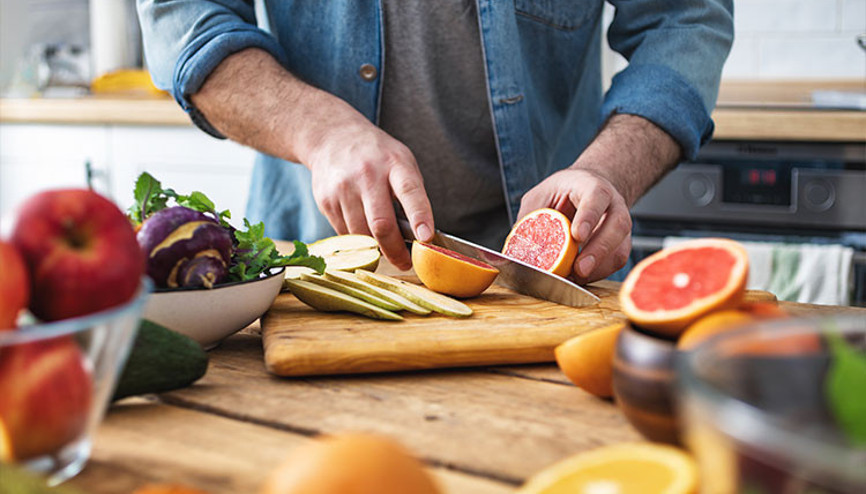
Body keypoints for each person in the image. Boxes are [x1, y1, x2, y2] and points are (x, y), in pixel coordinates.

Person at [137, 1, 733, 283]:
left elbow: (684, 19)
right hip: (317, 268)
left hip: (553, 274)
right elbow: (183, 18)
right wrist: (321, 131)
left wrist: (610, 170)